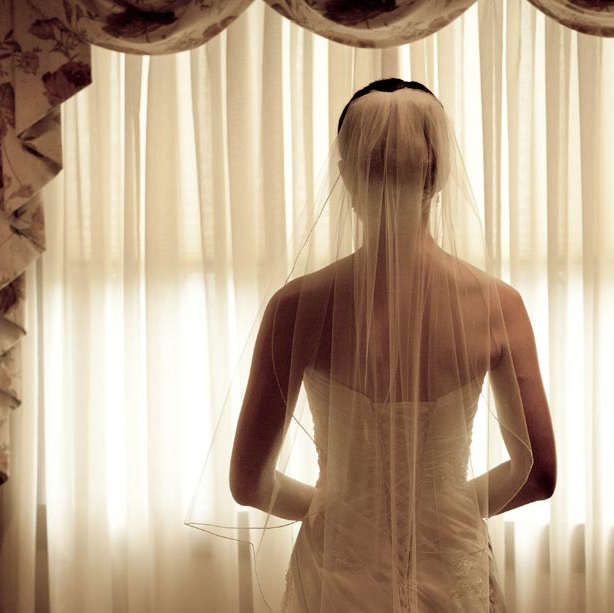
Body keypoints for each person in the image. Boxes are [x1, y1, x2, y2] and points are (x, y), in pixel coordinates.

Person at [226, 79, 556, 612]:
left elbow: (248, 483)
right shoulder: (499, 305)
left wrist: (341, 510)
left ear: (347, 177)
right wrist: (440, 509)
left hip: (339, 568)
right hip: (451, 562)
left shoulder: (295, 308)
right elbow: (538, 474)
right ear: (439, 176)